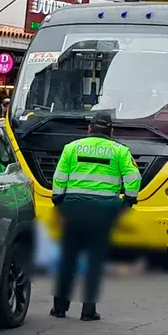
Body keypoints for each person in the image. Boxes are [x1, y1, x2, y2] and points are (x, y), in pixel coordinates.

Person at [49, 114, 140, 321]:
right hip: (104, 210)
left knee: (68, 258)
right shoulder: (120, 151)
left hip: (73, 207)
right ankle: (88, 311)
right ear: (111, 132)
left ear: (89, 129)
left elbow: (59, 177)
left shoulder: (71, 147)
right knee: (95, 260)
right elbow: (133, 178)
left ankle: (60, 308)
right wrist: (127, 202)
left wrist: (59, 202)